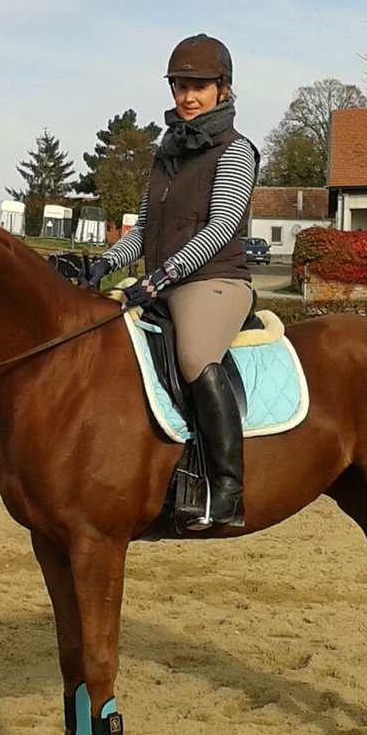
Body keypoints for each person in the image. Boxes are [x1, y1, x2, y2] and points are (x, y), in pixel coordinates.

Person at [85, 33, 260, 530]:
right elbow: (143, 228)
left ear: (222, 89)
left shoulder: (236, 150)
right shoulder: (165, 154)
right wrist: (108, 263)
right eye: (181, 86)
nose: (187, 96)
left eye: (198, 86)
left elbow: (221, 225)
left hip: (214, 281)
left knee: (193, 354)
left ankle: (227, 490)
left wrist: (164, 275)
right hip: (160, 282)